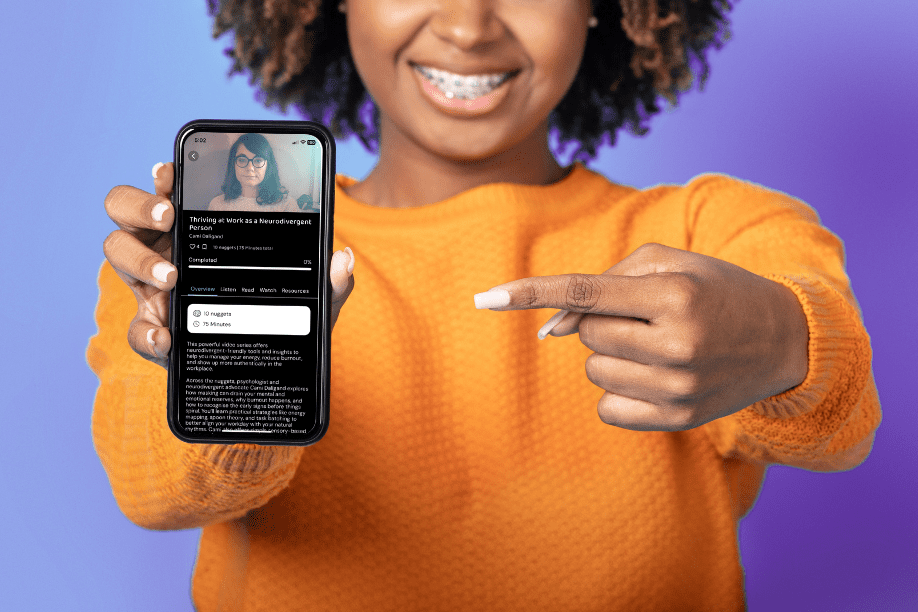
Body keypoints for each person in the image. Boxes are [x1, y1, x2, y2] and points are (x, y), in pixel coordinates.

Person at [89, 1, 881, 610]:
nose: (468, 28)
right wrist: (243, 376)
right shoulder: (200, 259)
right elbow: (157, 495)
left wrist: (783, 341)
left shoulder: (711, 233)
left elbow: (842, 426)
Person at [207, 132, 302, 212]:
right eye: (242, 160)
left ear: (268, 166)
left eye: (258, 160)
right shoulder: (217, 205)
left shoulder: (287, 206)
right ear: (233, 164)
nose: (250, 168)